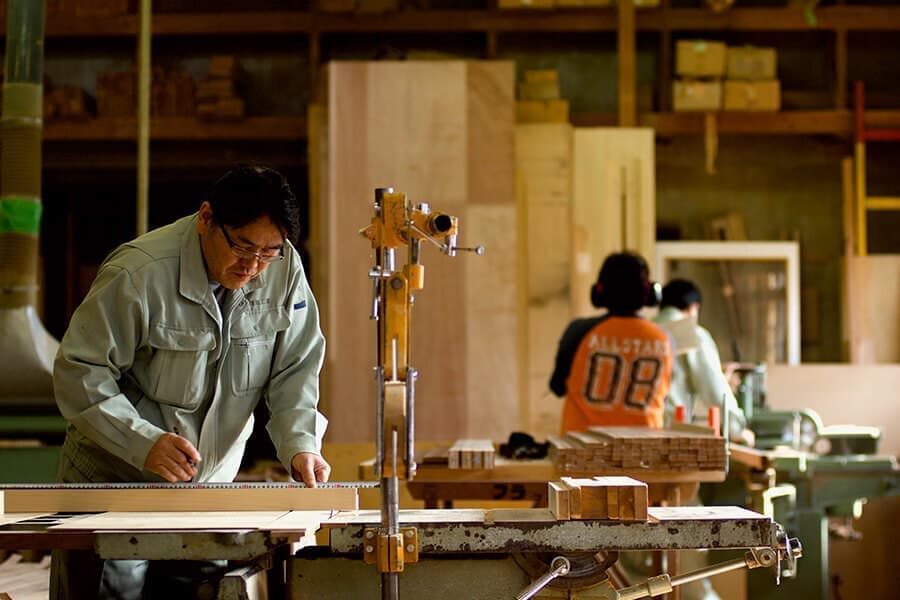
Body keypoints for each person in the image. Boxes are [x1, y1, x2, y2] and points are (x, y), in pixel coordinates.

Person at [50, 164, 331, 599]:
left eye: (269, 252)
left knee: (198, 593)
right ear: (206, 219)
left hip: (206, 493)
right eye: (242, 247)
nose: (253, 266)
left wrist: (301, 445)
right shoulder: (139, 273)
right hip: (116, 486)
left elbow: (294, 368)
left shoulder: (283, 268)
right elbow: (80, 372)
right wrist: (142, 441)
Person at [549, 251, 673, 434]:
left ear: (600, 291)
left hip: (583, 449)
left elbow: (557, 387)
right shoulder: (664, 338)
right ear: (649, 292)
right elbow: (665, 394)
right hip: (645, 449)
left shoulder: (580, 331)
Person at [654, 278, 755, 446]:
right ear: (694, 308)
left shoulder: (643, 330)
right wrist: (736, 428)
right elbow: (712, 387)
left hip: (633, 430)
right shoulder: (692, 333)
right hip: (670, 435)